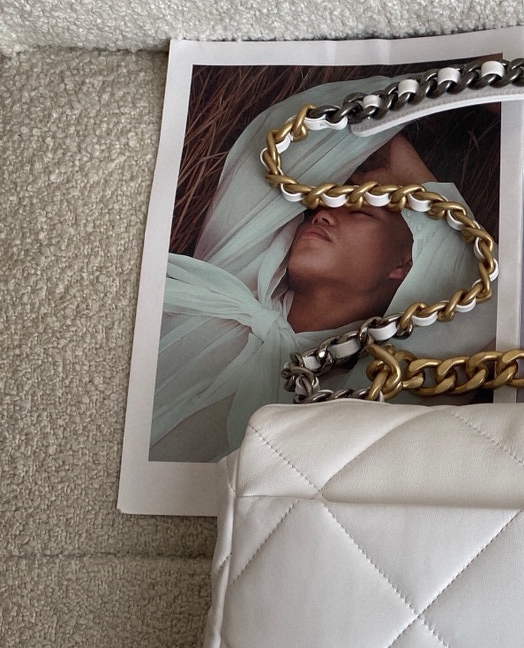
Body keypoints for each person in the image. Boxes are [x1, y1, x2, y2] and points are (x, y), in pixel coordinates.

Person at [150, 77, 495, 462]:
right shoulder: (231, 282)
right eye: (323, 204)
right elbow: (280, 136)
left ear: (406, 262)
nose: (325, 214)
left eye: (359, 212)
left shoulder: (368, 392)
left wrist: (413, 176)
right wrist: (409, 127)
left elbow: (482, 294)